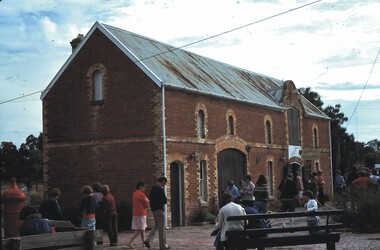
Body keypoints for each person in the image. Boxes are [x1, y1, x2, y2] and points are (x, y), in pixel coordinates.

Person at [144, 177, 170, 250]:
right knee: (161, 229)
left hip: (154, 210)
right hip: (159, 210)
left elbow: (151, 199)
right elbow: (165, 201)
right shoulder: (160, 189)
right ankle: (162, 246)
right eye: (164, 184)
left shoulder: (153, 188)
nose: (164, 185)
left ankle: (148, 240)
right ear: (163, 182)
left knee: (156, 226)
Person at [128, 181, 150, 249]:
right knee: (140, 229)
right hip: (141, 213)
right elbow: (147, 203)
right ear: (140, 186)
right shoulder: (141, 194)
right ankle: (130, 241)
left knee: (142, 229)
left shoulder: (135, 193)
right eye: (144, 186)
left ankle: (144, 242)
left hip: (136, 213)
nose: (145, 188)